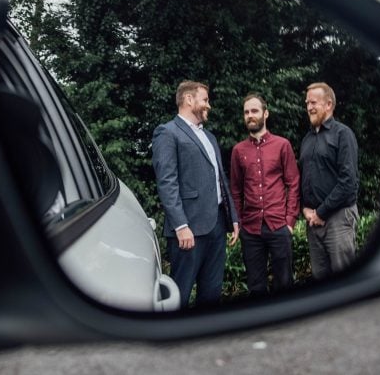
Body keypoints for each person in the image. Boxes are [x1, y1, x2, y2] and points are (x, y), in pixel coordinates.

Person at [152, 80, 240, 308]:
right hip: (188, 230)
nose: (208, 105)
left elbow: (221, 178)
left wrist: (233, 218)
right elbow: (166, 182)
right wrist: (181, 226)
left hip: (217, 226)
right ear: (189, 99)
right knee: (180, 293)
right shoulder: (167, 133)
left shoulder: (209, 137)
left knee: (212, 292)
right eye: (205, 100)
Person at [230, 93, 300, 296]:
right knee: (255, 285)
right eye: (246, 112)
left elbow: (293, 183)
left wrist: (290, 221)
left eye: (254, 111)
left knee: (284, 282)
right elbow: (236, 190)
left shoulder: (282, 145)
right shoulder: (238, 151)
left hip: (279, 225)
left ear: (265, 114)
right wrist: (239, 222)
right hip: (250, 230)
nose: (250, 115)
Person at [299, 82, 359, 281]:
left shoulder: (343, 134)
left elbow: (348, 183)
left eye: (313, 102)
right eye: (307, 103)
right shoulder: (307, 139)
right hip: (313, 223)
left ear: (329, 104)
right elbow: (303, 178)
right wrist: (305, 209)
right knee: (322, 285)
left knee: (344, 283)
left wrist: (321, 212)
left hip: (338, 220)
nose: (309, 107)